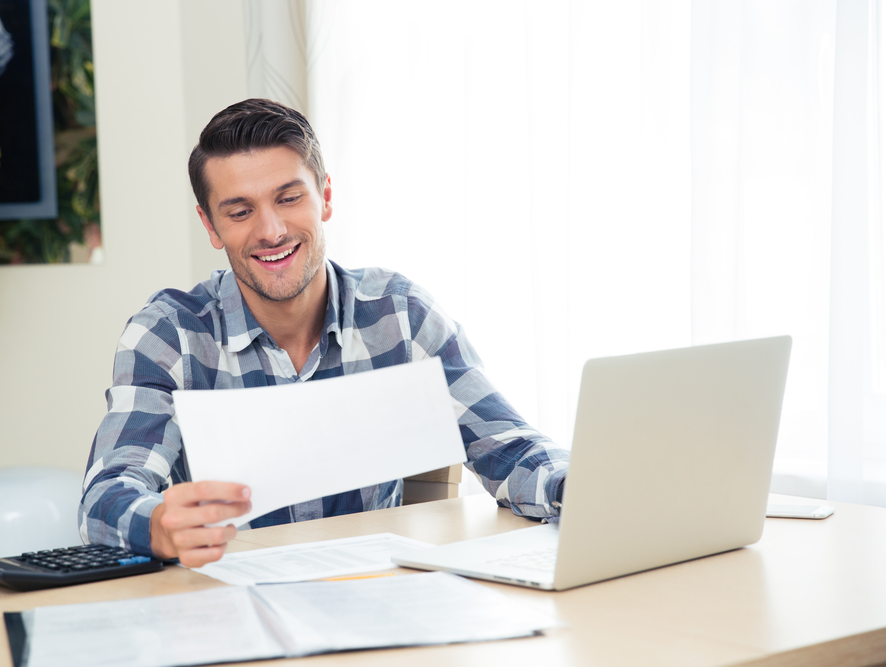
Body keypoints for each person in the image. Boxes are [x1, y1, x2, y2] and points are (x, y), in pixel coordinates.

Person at [79, 98, 569, 567]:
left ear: (325, 198)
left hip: (377, 601)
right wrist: (159, 525)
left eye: (289, 198)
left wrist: (583, 488)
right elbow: (107, 494)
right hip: (232, 610)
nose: (271, 231)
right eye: (240, 211)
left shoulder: (399, 315)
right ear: (211, 226)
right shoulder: (169, 336)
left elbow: (509, 448)